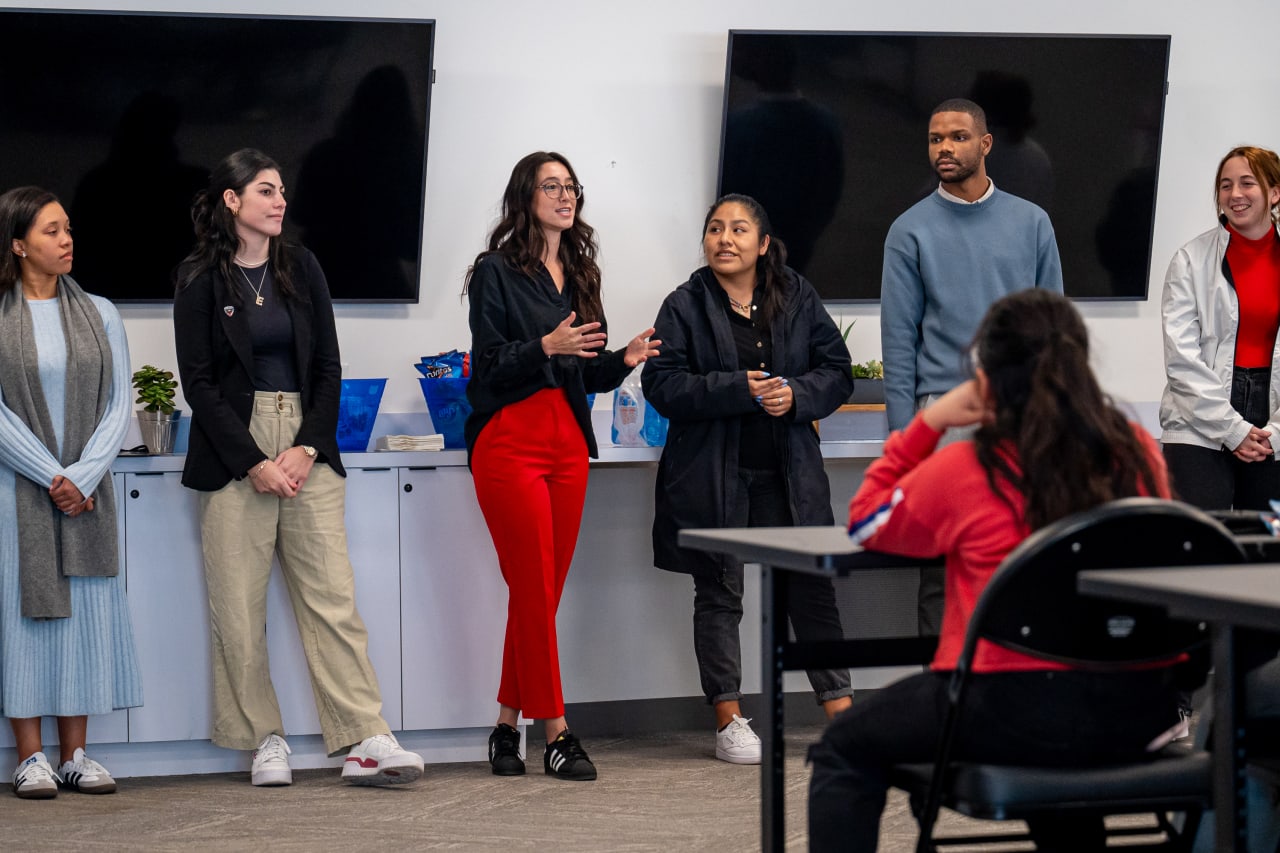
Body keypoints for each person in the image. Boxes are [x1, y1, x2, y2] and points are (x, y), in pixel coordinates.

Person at [808, 289, 1180, 852]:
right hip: (1135, 709)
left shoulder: (968, 467)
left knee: (842, 745)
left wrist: (929, 420)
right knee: (1065, 746)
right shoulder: (1137, 450)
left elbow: (864, 522)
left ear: (988, 376)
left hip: (1006, 709)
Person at [173, 149, 422, 788]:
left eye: (282, 190)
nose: (280, 201)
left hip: (306, 446)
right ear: (232, 201)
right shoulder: (201, 276)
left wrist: (307, 447)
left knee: (333, 598)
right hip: (235, 450)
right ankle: (264, 740)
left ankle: (367, 735)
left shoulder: (300, 266)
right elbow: (198, 383)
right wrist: (253, 461)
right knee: (238, 605)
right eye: (264, 190)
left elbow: (328, 369)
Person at [464, 151, 660, 781]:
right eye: (552, 186)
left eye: (571, 186)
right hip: (509, 442)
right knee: (532, 584)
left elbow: (582, 375)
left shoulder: (578, 273)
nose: (565, 195)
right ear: (525, 197)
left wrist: (623, 358)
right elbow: (489, 367)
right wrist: (545, 344)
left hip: (567, 446)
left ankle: (503, 727)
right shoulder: (494, 272)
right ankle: (557, 732)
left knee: (539, 595)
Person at [642, 194, 854, 765]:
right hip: (715, 472)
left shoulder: (797, 294)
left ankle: (840, 712)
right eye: (714, 229)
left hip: (790, 472)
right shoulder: (683, 304)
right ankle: (729, 720)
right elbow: (662, 384)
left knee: (811, 588)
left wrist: (797, 396)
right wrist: (741, 388)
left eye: (738, 230)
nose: (724, 239)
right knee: (719, 590)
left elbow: (837, 372)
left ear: (763, 244)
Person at [880, 97, 1064, 636]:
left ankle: (1018, 687)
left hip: (1022, 414)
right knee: (943, 563)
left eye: (958, 137)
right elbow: (898, 342)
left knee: (1025, 554)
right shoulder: (908, 230)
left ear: (985, 145)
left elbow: (1055, 331)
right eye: (936, 139)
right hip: (944, 418)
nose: (945, 148)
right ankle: (944, 698)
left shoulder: (1032, 223)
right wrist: (903, 442)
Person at [0, 186, 141, 798]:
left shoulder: (101, 312)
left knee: (83, 618)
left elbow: (118, 404)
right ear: (18, 244)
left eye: (68, 230)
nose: (66, 241)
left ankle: (77, 754)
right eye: (52, 232)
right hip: (17, 494)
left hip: (85, 493)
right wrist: (49, 475)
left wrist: (81, 477)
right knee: (24, 618)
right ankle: (30, 757)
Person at [1160, 145, 1280, 511]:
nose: (1235, 195)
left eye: (1248, 183)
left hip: (1272, 422)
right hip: (1197, 420)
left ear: (1275, 193)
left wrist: (1276, 432)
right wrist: (1231, 428)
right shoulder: (1189, 260)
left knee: (1266, 552)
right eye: (1225, 185)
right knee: (1199, 546)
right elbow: (1182, 359)